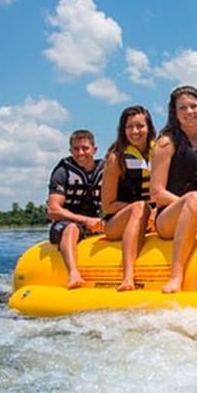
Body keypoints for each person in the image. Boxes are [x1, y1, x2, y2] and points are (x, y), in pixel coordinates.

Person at [151, 85, 197, 293]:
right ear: (174, 113)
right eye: (183, 108)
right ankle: (176, 275)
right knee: (195, 197)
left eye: (194, 106)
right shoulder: (166, 143)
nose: (189, 112)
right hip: (169, 218)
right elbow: (157, 192)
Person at [101, 104, 156, 291]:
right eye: (129, 127)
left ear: (149, 128)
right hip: (116, 223)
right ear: (122, 130)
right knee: (140, 207)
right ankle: (128, 277)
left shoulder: (159, 153)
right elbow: (107, 205)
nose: (135, 131)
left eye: (140, 126)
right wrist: (140, 209)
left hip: (151, 218)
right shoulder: (116, 159)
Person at [46, 129, 105, 289]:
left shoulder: (106, 169)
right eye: (76, 149)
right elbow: (53, 210)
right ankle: (73, 273)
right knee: (72, 229)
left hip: (97, 222)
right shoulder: (62, 171)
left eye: (85, 148)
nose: (80, 153)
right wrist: (86, 220)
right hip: (65, 224)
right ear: (70, 151)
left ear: (94, 149)